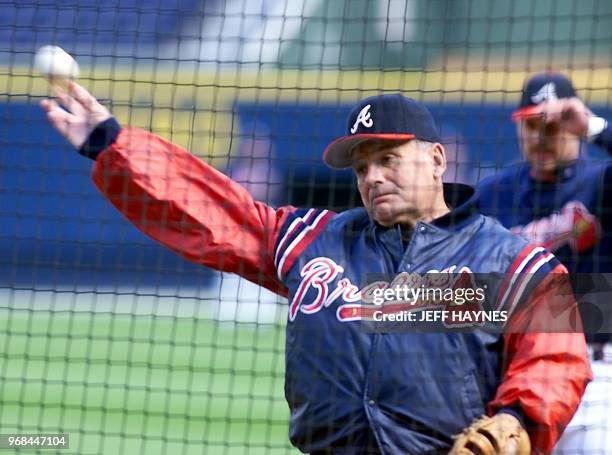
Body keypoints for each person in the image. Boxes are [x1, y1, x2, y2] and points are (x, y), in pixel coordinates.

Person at [41, 84, 591, 454]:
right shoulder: (314, 239)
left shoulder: (512, 261)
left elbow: (557, 358)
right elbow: (212, 212)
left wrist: (516, 420)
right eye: (362, 165)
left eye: (389, 158)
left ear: (437, 160)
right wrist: (112, 145)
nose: (373, 176)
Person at [477, 71, 612, 453]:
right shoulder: (492, 194)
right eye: (531, 125)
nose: (541, 135)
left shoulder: (602, 183)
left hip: (596, 376)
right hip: (516, 373)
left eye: (553, 125)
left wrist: (595, 127)